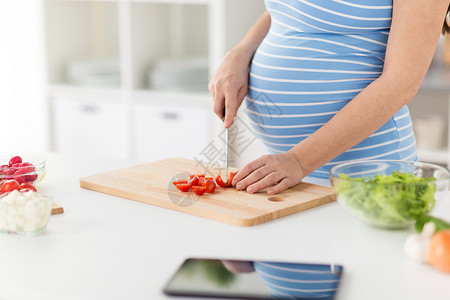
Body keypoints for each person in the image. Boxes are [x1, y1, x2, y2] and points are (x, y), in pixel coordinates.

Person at [209, 0, 450, 195]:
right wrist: (240, 52)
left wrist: (299, 161)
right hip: (282, 168)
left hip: (365, 173)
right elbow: (295, 9)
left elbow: (401, 84)